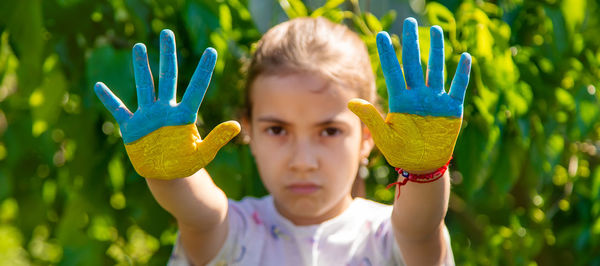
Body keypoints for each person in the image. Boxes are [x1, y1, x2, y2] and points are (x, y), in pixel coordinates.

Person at [95, 15, 470, 266]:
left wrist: (424, 171)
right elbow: (199, 213)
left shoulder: (390, 238)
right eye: (277, 130)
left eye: (330, 131)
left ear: (367, 137)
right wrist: (169, 172)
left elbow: (421, 229)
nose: (302, 160)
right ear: (249, 132)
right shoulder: (233, 232)